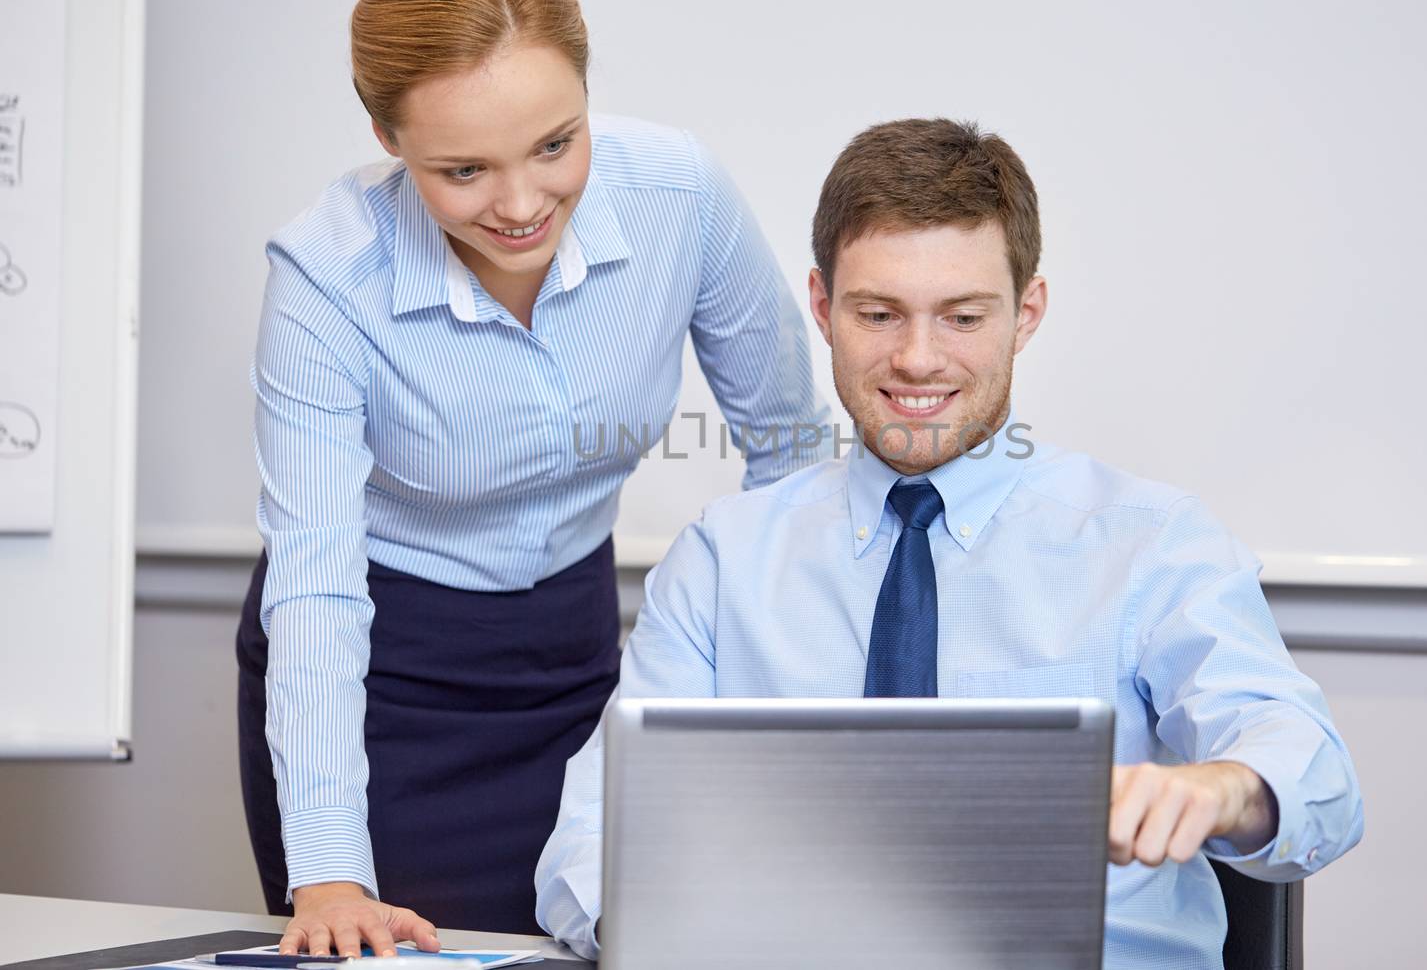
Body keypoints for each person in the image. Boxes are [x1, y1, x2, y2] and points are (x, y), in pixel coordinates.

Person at [534, 118, 1364, 967]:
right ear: (822, 307)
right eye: (879, 313)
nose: (917, 359)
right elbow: (590, 842)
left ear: (1025, 312)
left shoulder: (1151, 543)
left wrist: (1224, 786)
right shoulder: (723, 559)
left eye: (963, 316)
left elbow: (1316, 779)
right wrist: (668, 931)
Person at [236, 0, 828, 957]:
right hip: (384, 678)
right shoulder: (327, 278)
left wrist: (784, 700)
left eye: (556, 144)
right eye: (462, 169)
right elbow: (318, 585)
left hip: (578, 656)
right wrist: (330, 868)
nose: (518, 205)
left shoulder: (678, 197)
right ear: (386, 135)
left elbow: (791, 453)